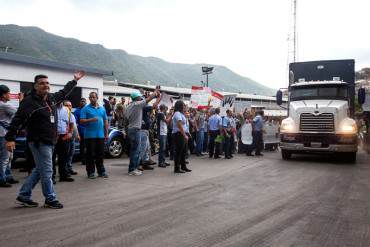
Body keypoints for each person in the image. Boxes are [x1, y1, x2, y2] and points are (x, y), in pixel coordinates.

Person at [5, 71, 85, 209]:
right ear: (35, 86)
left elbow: (64, 92)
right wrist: (10, 138)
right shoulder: (29, 102)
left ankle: (24, 195)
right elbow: (17, 120)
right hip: (38, 141)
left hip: (50, 140)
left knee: (39, 170)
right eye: (42, 83)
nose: (45, 85)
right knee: (48, 170)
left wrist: (74, 80)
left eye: (47, 83)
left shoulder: (51, 98)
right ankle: (50, 199)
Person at [126, 89, 159, 176]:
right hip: (136, 129)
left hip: (131, 129)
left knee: (134, 150)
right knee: (136, 151)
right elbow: (148, 99)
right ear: (137, 97)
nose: (141, 97)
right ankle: (132, 169)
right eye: (140, 96)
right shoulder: (137, 105)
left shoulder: (129, 106)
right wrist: (155, 92)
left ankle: (133, 168)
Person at [80, 92, 109, 179]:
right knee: (90, 155)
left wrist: (106, 133)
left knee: (100, 154)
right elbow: (81, 121)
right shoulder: (85, 109)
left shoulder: (102, 108)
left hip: (100, 135)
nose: (92, 99)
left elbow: (106, 121)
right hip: (89, 136)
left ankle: (101, 171)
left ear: (97, 98)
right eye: (91, 97)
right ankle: (91, 172)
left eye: (94, 97)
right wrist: (91, 119)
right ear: (89, 98)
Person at [0, 85, 18, 187]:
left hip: (3, 133)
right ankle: (2, 179)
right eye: (8, 93)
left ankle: (8, 176)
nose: (9, 95)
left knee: (8, 157)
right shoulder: (4, 105)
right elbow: (19, 114)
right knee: (5, 158)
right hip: (4, 134)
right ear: (3, 95)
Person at [54, 102, 75, 182]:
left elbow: (71, 123)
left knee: (63, 157)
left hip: (64, 136)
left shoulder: (66, 110)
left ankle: (63, 176)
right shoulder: (52, 108)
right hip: (54, 137)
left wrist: (70, 133)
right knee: (52, 158)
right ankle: (51, 177)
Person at [172, 100, 191, 173]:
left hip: (182, 134)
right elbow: (179, 125)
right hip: (178, 134)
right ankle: (177, 168)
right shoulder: (177, 113)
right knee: (179, 152)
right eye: (183, 105)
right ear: (180, 106)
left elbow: (184, 125)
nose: (184, 107)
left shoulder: (181, 114)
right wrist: (184, 135)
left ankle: (183, 167)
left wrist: (187, 133)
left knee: (183, 152)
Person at [64, 100, 79, 175]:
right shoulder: (63, 114)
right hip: (66, 139)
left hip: (72, 139)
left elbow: (75, 126)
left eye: (70, 105)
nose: (68, 107)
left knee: (71, 154)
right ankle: (65, 170)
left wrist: (78, 135)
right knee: (66, 155)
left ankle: (69, 168)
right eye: (66, 105)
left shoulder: (72, 115)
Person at [73, 98, 87, 165]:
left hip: (89, 131)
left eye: (84, 101)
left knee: (89, 146)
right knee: (82, 146)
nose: (83, 102)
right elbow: (75, 122)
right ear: (79, 102)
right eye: (81, 101)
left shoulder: (88, 110)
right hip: (81, 131)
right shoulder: (77, 111)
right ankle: (83, 160)